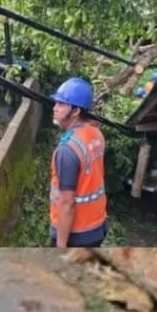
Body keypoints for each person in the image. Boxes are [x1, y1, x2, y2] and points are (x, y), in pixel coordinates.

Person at [49, 77, 108, 248]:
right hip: (97, 225)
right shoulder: (96, 134)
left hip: (76, 234)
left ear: (75, 111)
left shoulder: (67, 151)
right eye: (56, 103)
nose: (55, 108)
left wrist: (61, 245)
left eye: (61, 104)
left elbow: (67, 204)